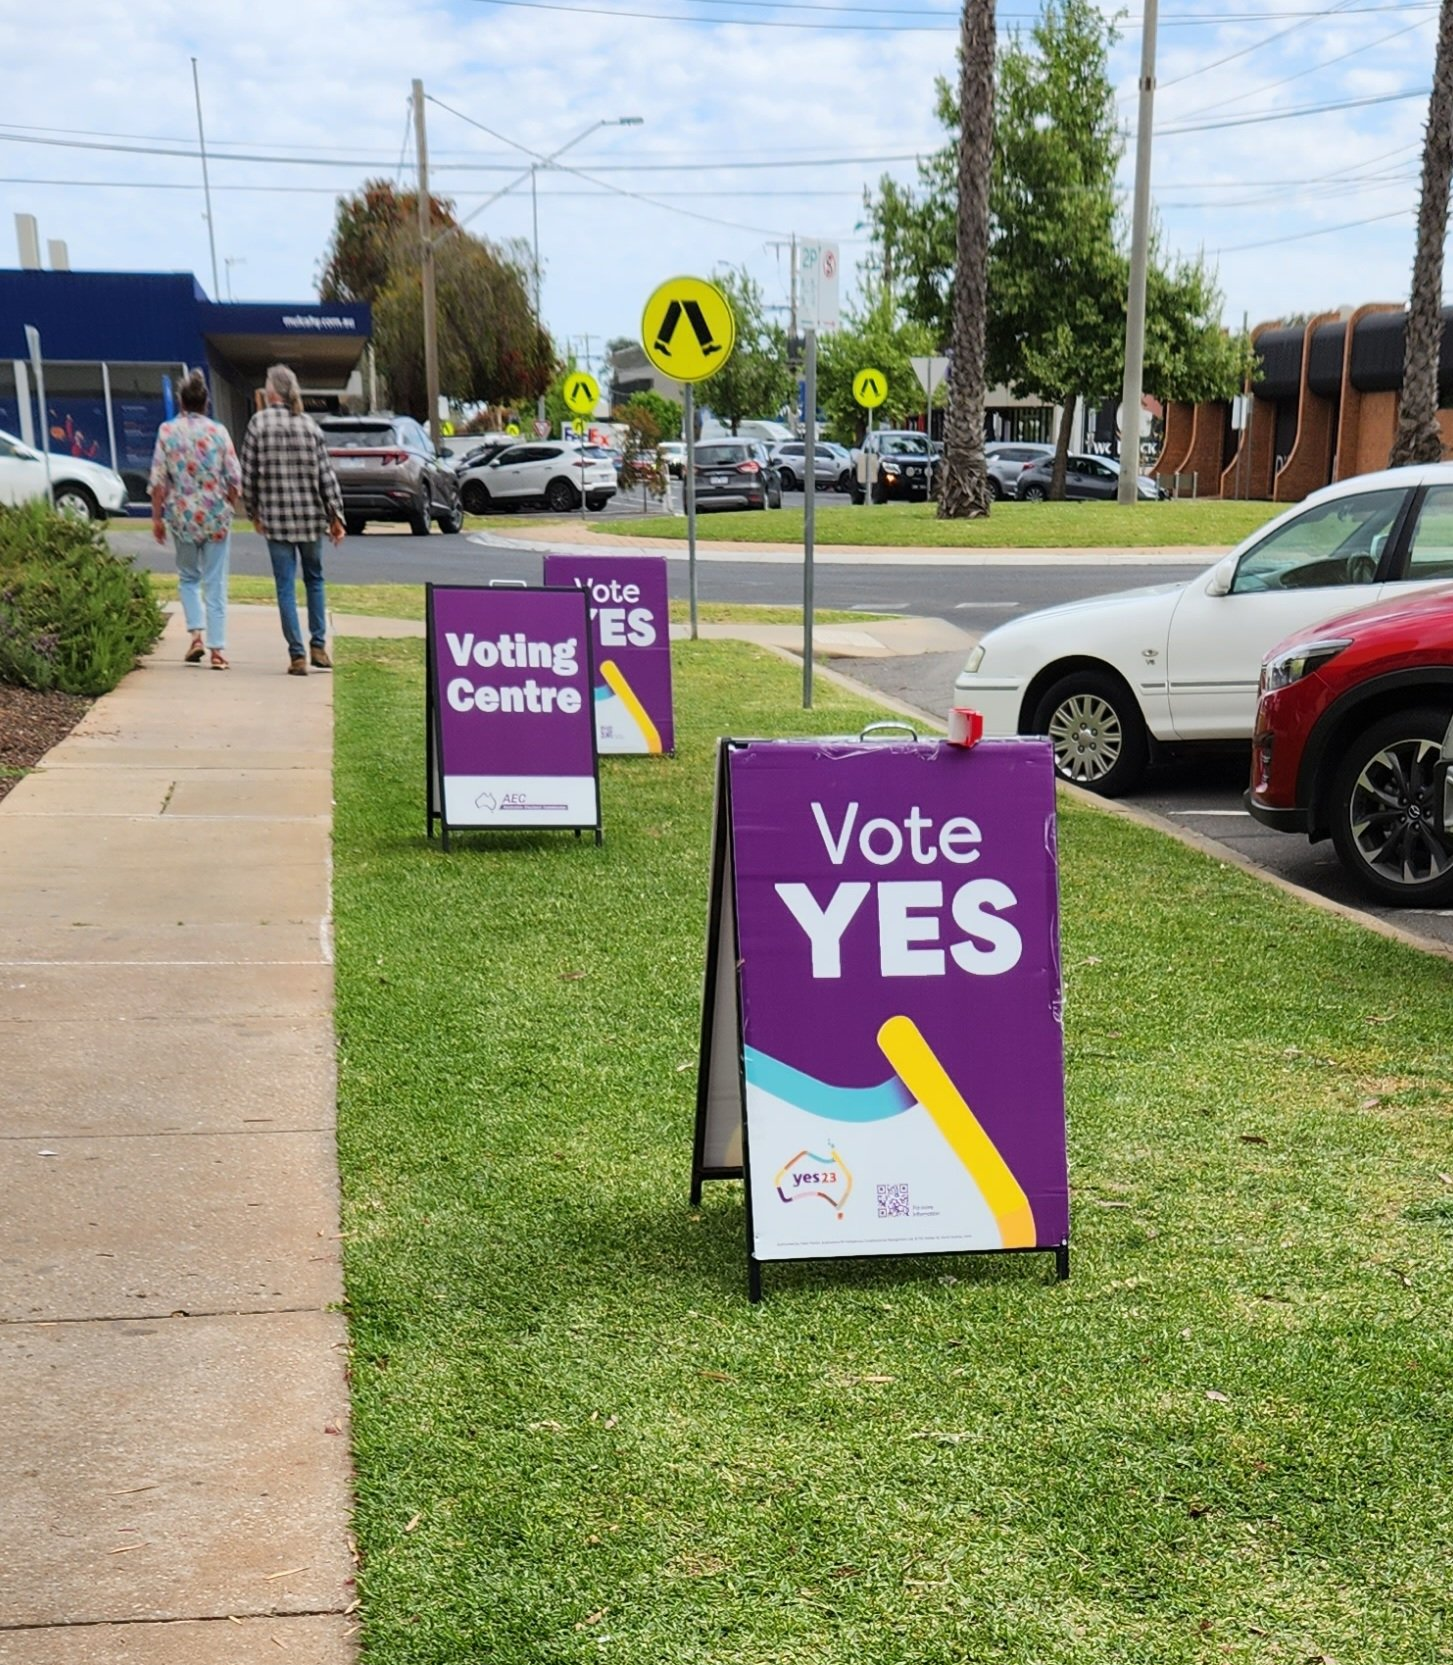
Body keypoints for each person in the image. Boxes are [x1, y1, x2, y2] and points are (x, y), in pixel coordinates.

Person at [239, 363, 345, 676]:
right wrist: (335, 514)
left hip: (276, 521)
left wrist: (254, 512)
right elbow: (327, 476)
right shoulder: (310, 426)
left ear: (272, 390)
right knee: (315, 579)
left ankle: (296, 654)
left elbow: (249, 477)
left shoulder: (258, 424)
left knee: (285, 586)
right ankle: (318, 645)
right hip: (311, 520)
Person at [149, 370, 241, 670]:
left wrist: (157, 518)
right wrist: (228, 502)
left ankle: (196, 636)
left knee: (188, 577)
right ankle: (217, 650)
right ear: (206, 402)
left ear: (181, 401)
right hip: (215, 516)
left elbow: (159, 479)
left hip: (182, 516)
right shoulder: (218, 432)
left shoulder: (167, 431)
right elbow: (234, 477)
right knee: (215, 582)